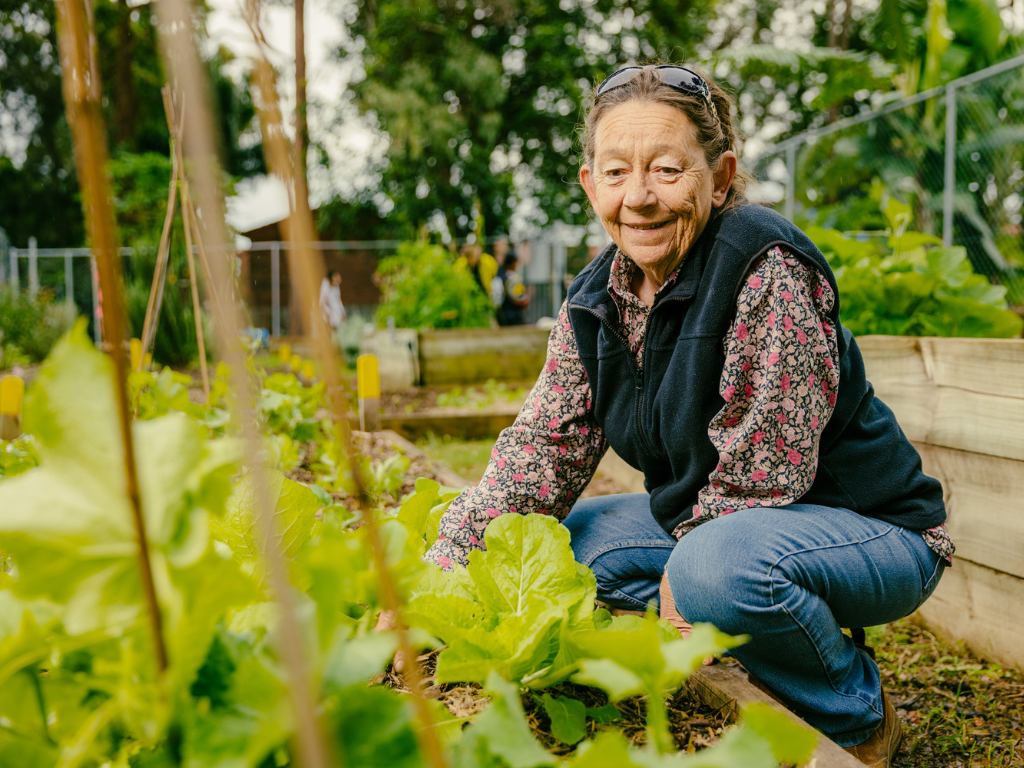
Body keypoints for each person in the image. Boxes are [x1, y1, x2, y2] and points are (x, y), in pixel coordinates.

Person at [422, 65, 953, 767]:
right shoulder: (593, 301)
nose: (638, 198)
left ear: (721, 175)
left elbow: (769, 465)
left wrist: (687, 581)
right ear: (590, 185)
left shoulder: (764, 264)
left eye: (668, 170)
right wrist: (442, 567)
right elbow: (539, 453)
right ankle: (760, 630)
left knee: (713, 572)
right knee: (563, 549)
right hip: (728, 528)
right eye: (616, 173)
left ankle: (854, 718)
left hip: (873, 529)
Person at [494, 249, 531, 326]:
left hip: (502, 314)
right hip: (513, 315)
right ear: (513, 263)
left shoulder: (500, 274)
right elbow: (516, 298)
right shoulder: (512, 277)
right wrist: (525, 300)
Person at [319, 269, 346, 334]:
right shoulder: (325, 287)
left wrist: (342, 311)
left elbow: (338, 300)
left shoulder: (336, 287)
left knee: (334, 331)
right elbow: (322, 302)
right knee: (327, 331)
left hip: (334, 314)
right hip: (326, 314)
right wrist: (327, 313)